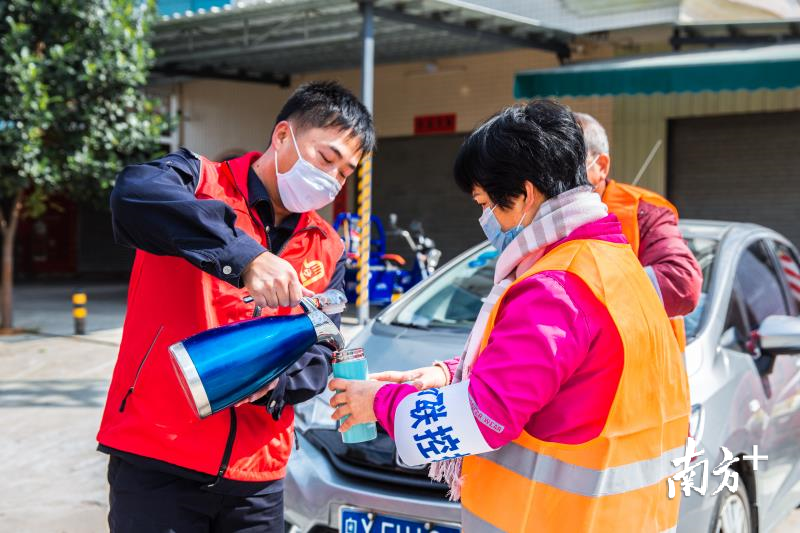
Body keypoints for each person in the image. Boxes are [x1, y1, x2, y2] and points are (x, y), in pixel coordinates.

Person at [329, 101, 690, 532]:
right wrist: (449, 375)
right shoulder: (616, 263)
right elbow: (567, 378)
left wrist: (378, 403)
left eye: (487, 203)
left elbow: (486, 415)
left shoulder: (556, 287)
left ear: (526, 194)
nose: (486, 220)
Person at [96, 81, 375, 532]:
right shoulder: (197, 180)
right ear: (283, 135)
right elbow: (132, 194)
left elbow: (321, 349)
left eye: (344, 173)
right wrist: (244, 257)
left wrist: (277, 384)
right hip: (158, 456)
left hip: (257, 477)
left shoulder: (328, 246)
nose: (331, 180)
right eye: (326, 159)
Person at [574, 113, 702, 348]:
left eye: (568, 163)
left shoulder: (644, 212)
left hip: (644, 365)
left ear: (601, 166)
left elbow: (682, 283)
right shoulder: (540, 216)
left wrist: (583, 297)